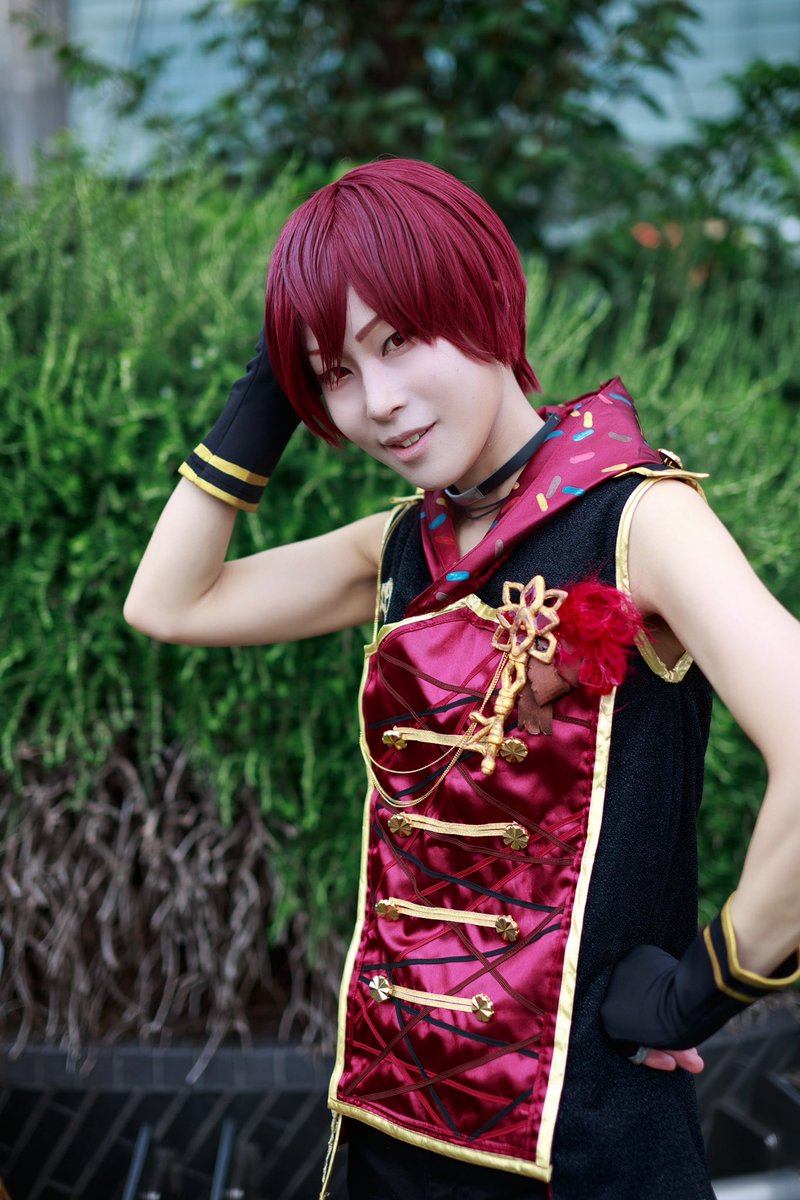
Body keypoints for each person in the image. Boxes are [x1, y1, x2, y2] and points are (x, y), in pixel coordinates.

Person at [124, 159, 800, 1200]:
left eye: (397, 341)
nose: (378, 405)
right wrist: (267, 387)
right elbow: (171, 602)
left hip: (578, 1145)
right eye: (335, 374)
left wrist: (706, 987)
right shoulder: (402, 544)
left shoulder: (639, 520)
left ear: (484, 301)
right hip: (387, 1126)